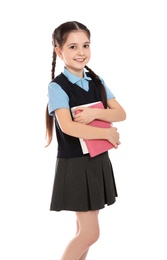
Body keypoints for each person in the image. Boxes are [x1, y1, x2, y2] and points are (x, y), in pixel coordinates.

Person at [45, 21, 126, 260]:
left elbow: (120, 113)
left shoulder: (97, 82)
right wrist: (107, 133)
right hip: (76, 164)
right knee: (90, 233)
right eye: (72, 47)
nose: (81, 52)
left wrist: (95, 113)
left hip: (97, 160)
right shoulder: (57, 87)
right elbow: (68, 127)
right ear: (59, 52)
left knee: (83, 230)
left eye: (85, 45)